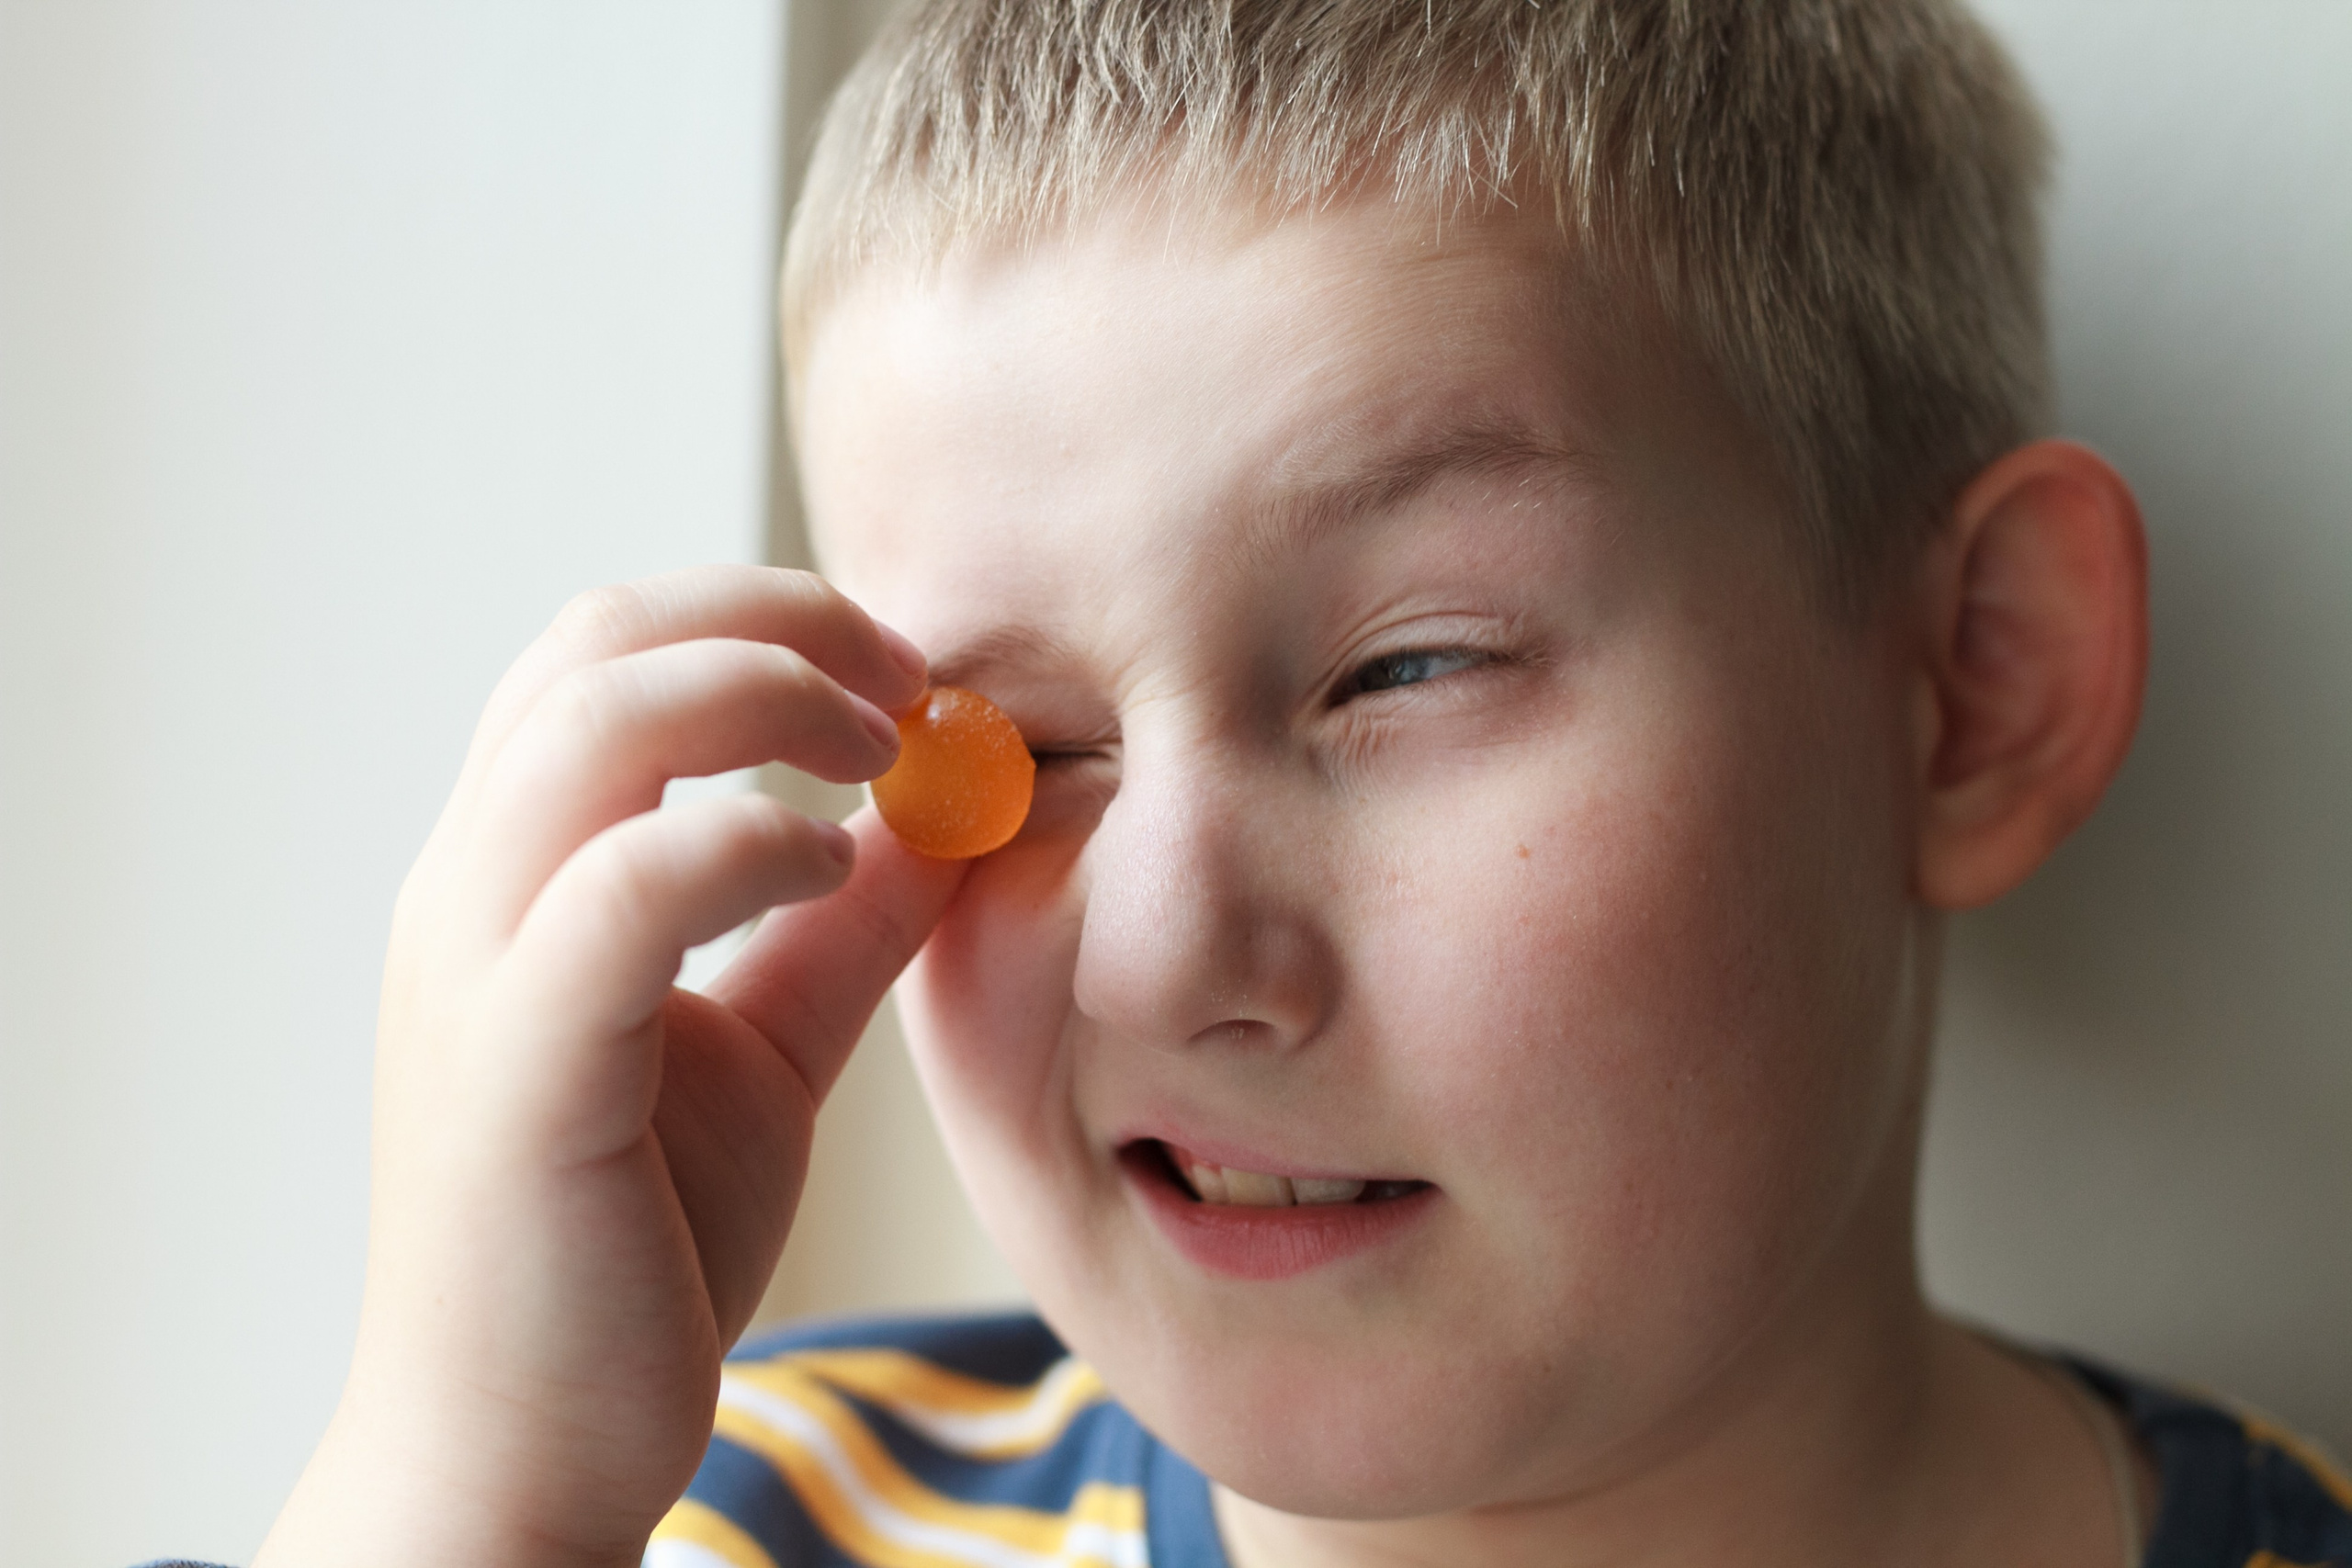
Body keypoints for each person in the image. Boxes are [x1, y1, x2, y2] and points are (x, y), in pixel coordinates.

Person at [167, 3, 2351, 1566]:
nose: (1159, 945)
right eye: (1014, 749)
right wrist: (470, 1484)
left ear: (1974, 682)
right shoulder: (695, 1523)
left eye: (1406, 665)